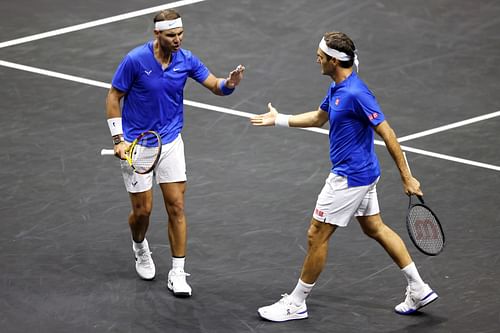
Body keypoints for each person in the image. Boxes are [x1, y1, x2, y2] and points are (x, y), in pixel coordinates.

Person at [250, 32, 437, 321]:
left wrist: (407, 177)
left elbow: (388, 134)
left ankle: (297, 302)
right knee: (374, 227)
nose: (317, 59)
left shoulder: (355, 93)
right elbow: (318, 117)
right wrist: (280, 120)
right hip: (363, 173)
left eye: (321, 56)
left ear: (335, 61)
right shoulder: (338, 88)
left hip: (350, 177)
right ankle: (418, 287)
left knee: (316, 235)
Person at [105, 9, 245, 297]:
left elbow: (216, 86)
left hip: (170, 143)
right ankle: (140, 247)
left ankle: (177, 272)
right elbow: (114, 95)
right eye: (171, 35)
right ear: (157, 34)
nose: (178, 39)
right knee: (142, 212)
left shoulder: (186, 59)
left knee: (177, 207)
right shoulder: (135, 60)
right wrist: (118, 139)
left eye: (180, 34)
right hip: (137, 144)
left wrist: (229, 84)